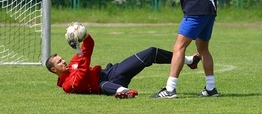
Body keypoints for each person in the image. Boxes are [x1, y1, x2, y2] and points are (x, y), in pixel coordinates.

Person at [135, 0, 218, 98]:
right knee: (203, 50)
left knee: (178, 48)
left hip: (195, 12)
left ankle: (170, 89)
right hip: (209, 11)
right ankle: (211, 88)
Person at [46, 22, 201, 99]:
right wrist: (79, 53)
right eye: (59, 62)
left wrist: (84, 36)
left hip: (110, 72)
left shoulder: (75, 60)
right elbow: (81, 77)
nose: (64, 61)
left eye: (62, 59)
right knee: (104, 86)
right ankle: (124, 92)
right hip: (105, 85)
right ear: (54, 70)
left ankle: (189, 60)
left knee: (150, 52)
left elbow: (90, 46)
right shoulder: (66, 86)